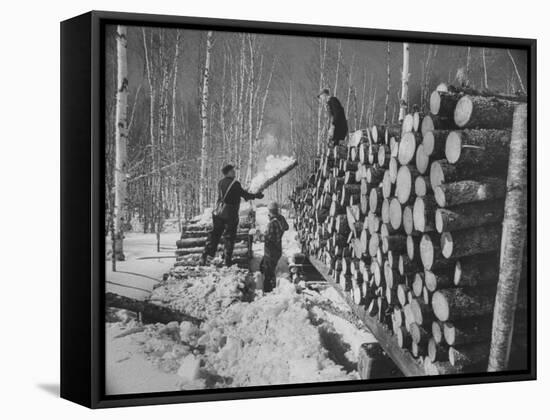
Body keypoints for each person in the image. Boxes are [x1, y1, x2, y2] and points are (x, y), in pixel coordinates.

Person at [201, 164, 263, 266]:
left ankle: (206, 255)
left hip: (219, 213)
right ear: (228, 172)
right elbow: (244, 195)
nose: (234, 172)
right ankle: (227, 259)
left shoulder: (220, 183)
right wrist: (256, 195)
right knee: (229, 237)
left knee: (215, 235)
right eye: (232, 171)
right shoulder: (235, 184)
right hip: (230, 214)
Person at [260, 202, 289, 293]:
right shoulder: (280, 219)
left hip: (270, 251)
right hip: (277, 249)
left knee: (268, 272)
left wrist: (259, 235)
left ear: (270, 211)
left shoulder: (272, 223)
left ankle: (268, 292)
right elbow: (286, 227)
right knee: (264, 266)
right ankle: (269, 288)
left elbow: (269, 237)